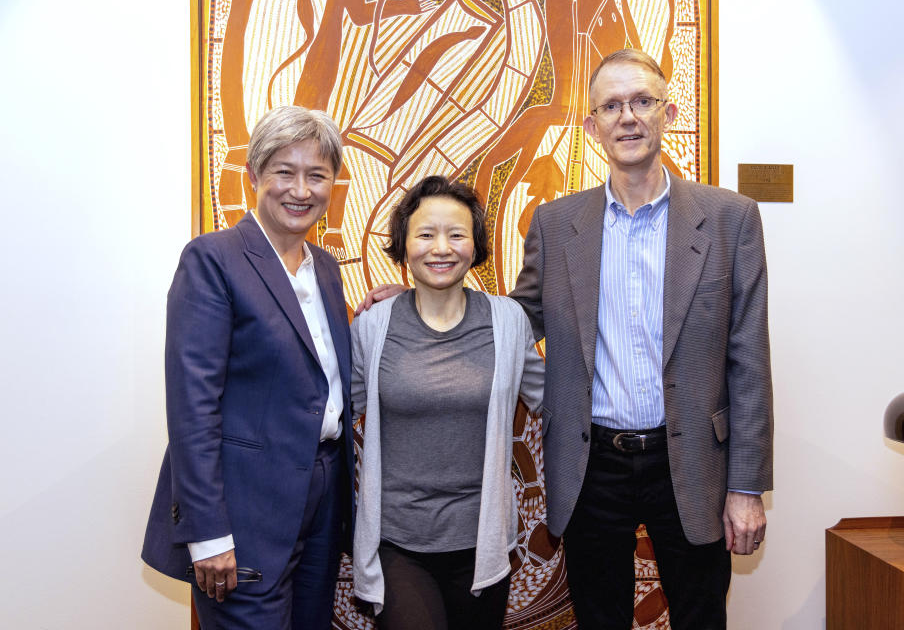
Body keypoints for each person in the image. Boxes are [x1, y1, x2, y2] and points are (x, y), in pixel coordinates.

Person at [359, 47, 773, 630]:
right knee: (599, 619)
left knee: (701, 617)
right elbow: (515, 320)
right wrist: (412, 305)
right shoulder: (557, 223)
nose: (627, 117)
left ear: (668, 113)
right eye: (611, 106)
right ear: (592, 127)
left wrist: (747, 487)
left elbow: (749, 360)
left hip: (694, 462)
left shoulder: (731, 219)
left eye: (642, 102)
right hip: (591, 462)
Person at [142, 105, 354, 629]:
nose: (301, 190)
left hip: (322, 492)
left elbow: (317, 371)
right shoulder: (213, 259)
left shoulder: (325, 268)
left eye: (317, 175)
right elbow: (192, 408)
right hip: (245, 507)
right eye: (285, 171)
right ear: (254, 176)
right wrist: (208, 533)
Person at [349, 176, 544, 630]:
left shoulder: (508, 321)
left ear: (474, 246)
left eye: (456, 234)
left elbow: (551, 398)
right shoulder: (372, 327)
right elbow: (344, 409)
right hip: (397, 542)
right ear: (403, 244)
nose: (441, 248)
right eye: (425, 234)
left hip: (483, 542)